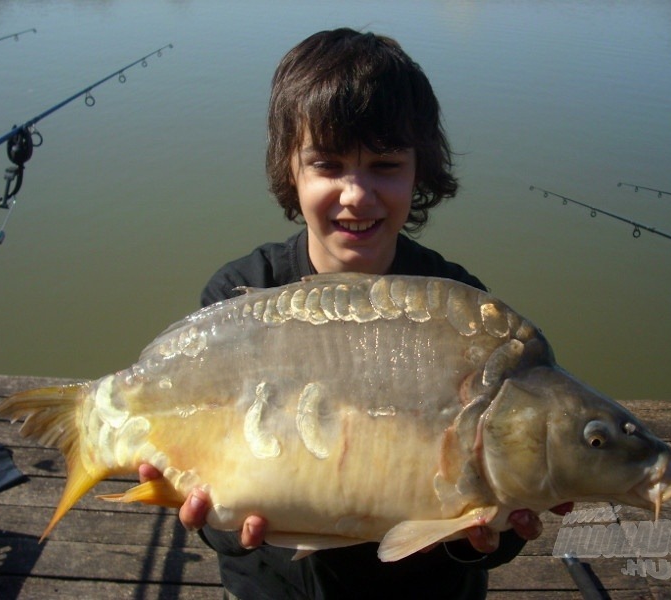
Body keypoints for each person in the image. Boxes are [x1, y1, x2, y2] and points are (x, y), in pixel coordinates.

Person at [140, 27, 571, 599]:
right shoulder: (240, 292)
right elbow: (205, 480)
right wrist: (221, 525)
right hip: (277, 586)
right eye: (328, 164)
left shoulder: (466, 314)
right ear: (289, 170)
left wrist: (483, 539)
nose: (357, 194)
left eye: (385, 165)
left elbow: (499, 511)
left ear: (421, 171)